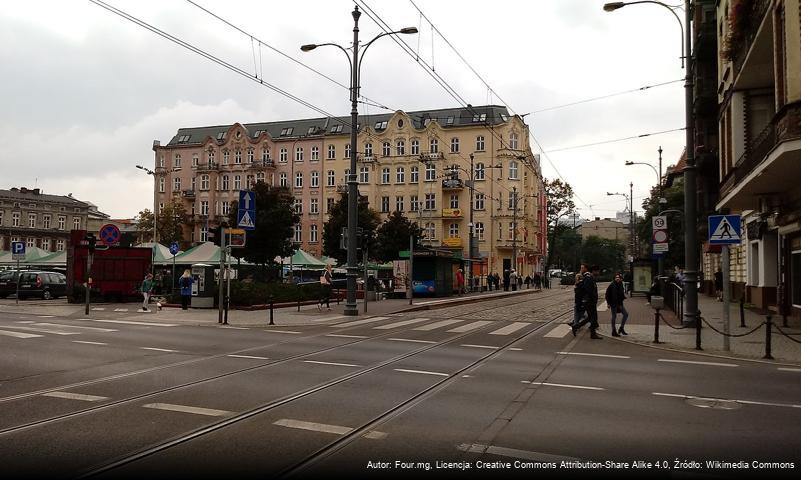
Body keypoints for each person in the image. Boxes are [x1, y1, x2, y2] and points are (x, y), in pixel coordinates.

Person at [573, 264, 602, 339]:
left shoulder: (590, 277)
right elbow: (588, 290)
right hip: (589, 302)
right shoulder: (589, 278)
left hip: (590, 301)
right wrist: (589, 299)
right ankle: (592, 334)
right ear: (594, 271)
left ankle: (576, 326)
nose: (598, 273)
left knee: (590, 318)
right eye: (598, 271)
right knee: (593, 317)